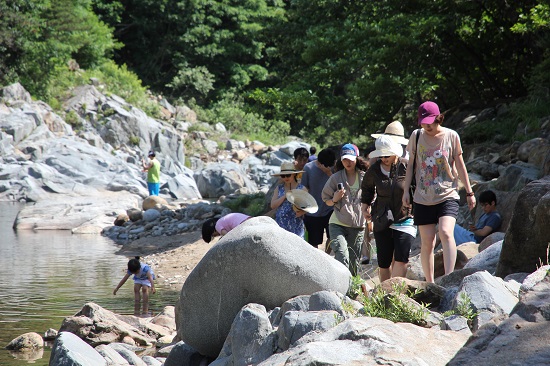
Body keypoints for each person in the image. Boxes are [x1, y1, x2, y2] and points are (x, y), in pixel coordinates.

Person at [402, 101, 476, 283]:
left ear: (438, 118)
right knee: (427, 241)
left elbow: (460, 164)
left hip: (447, 194)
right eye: (423, 122)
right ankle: (430, 283)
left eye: (430, 121)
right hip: (423, 196)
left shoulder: (451, 136)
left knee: (446, 232)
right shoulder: (416, 136)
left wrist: (469, 191)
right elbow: (411, 164)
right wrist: (406, 191)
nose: (426, 125)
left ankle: (449, 277)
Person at [361, 136, 416, 282]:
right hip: (381, 217)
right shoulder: (374, 170)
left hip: (405, 217)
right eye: (381, 155)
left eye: (387, 155)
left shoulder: (406, 166)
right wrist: (365, 206)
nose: (384, 158)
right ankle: (385, 294)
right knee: (384, 262)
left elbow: (417, 186)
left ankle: (395, 293)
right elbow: (367, 188)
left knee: (402, 258)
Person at [322, 143, 368, 276]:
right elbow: (326, 200)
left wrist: (369, 208)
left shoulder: (365, 177)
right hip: (337, 224)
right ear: (341, 160)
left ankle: (350, 292)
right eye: (345, 159)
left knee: (353, 263)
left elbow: (373, 197)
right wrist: (335, 198)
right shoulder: (335, 178)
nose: (348, 162)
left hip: (358, 226)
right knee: (342, 256)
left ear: (356, 158)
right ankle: (339, 289)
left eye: (350, 159)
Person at [301, 148, 336, 248]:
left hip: (330, 209)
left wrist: (329, 173)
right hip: (312, 211)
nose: (328, 167)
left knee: (333, 237)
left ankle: (328, 257)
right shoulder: (308, 168)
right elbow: (304, 188)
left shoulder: (333, 168)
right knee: (313, 242)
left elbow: (338, 186)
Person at [271, 161, 307, 237]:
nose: (286, 178)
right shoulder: (279, 188)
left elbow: (309, 207)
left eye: (288, 175)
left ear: (294, 174)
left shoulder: (302, 189)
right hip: (280, 225)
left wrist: (302, 212)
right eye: (283, 176)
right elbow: (273, 205)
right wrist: (284, 196)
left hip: (296, 225)